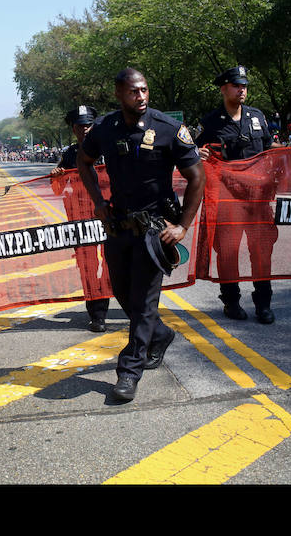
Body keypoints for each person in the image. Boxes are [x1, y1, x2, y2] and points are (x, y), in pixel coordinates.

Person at [76, 69, 204, 402]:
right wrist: (99, 203)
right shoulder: (105, 128)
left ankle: (129, 371)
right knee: (123, 293)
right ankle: (159, 336)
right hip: (119, 225)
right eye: (134, 92)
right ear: (119, 94)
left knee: (145, 303)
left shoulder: (168, 128)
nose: (142, 96)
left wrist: (182, 226)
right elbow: (84, 160)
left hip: (154, 231)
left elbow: (197, 177)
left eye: (145, 90)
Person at [195, 65, 291, 324]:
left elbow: (269, 146)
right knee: (228, 251)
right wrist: (196, 153)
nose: (242, 89)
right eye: (236, 85)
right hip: (227, 198)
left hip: (257, 198)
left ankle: (263, 304)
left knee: (261, 250)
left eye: (244, 85)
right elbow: (190, 149)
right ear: (224, 89)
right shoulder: (210, 122)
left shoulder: (257, 116)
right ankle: (231, 301)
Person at [50, 105, 110, 332]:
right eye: (80, 126)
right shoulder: (69, 154)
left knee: (111, 262)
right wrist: (57, 176)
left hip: (110, 214)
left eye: (89, 125)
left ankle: (107, 301)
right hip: (81, 216)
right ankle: (96, 314)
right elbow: (57, 190)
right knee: (87, 265)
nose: (85, 130)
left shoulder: (109, 147)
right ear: (73, 129)